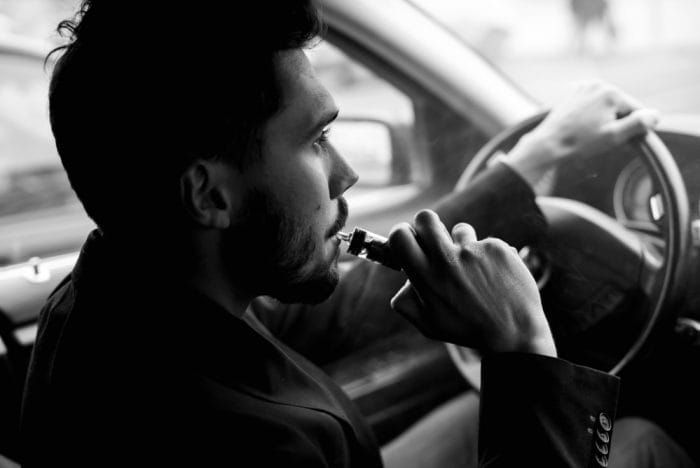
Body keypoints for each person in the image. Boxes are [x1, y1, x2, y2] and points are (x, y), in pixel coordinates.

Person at [18, 1, 668, 467]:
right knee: (639, 443)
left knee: (474, 414)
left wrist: (526, 166)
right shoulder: (248, 445)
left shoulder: (129, 295)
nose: (347, 173)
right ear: (209, 194)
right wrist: (523, 348)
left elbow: (343, 309)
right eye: (318, 139)